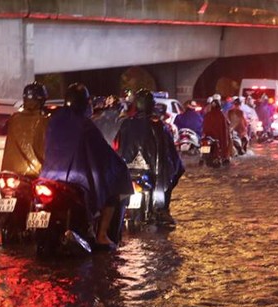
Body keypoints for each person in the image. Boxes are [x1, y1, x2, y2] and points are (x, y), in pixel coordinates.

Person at [42, 83, 133, 248]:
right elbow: (103, 152)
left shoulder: (54, 121)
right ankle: (102, 235)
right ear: (85, 103)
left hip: (49, 174)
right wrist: (119, 166)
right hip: (77, 177)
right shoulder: (85, 125)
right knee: (111, 192)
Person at [117, 89, 185, 226]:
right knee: (176, 170)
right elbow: (169, 153)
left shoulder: (125, 124)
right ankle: (162, 209)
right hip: (152, 171)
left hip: (128, 170)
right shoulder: (158, 126)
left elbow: (117, 148)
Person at [2, 82, 49, 178]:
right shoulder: (44, 120)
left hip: (11, 173)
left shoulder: (14, 119)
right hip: (38, 174)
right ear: (42, 100)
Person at [202, 99, 232, 164]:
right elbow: (226, 129)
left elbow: (204, 127)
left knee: (204, 146)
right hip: (219, 140)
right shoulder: (222, 115)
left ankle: (202, 157)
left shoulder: (207, 115)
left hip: (207, 138)